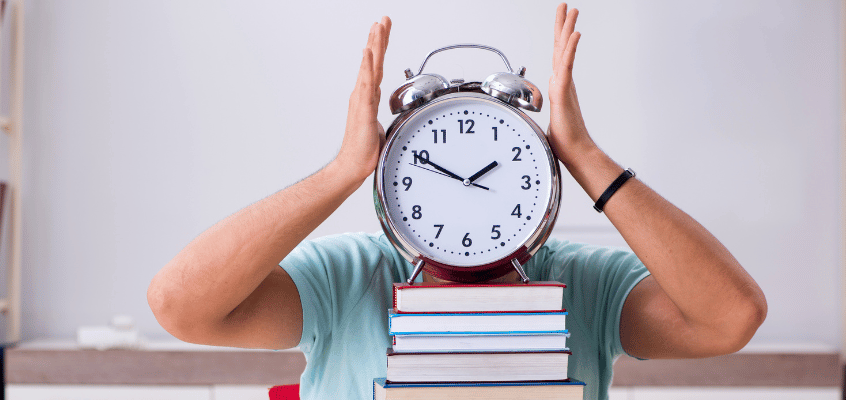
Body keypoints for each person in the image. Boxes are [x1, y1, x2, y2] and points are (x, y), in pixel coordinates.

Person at [147, 4, 767, 400]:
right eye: (431, 175)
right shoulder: (346, 278)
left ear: (541, 180)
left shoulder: (585, 284)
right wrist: (342, 171)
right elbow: (180, 306)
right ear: (392, 183)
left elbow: (731, 316)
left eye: (499, 173)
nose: (469, 195)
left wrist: (583, 154)